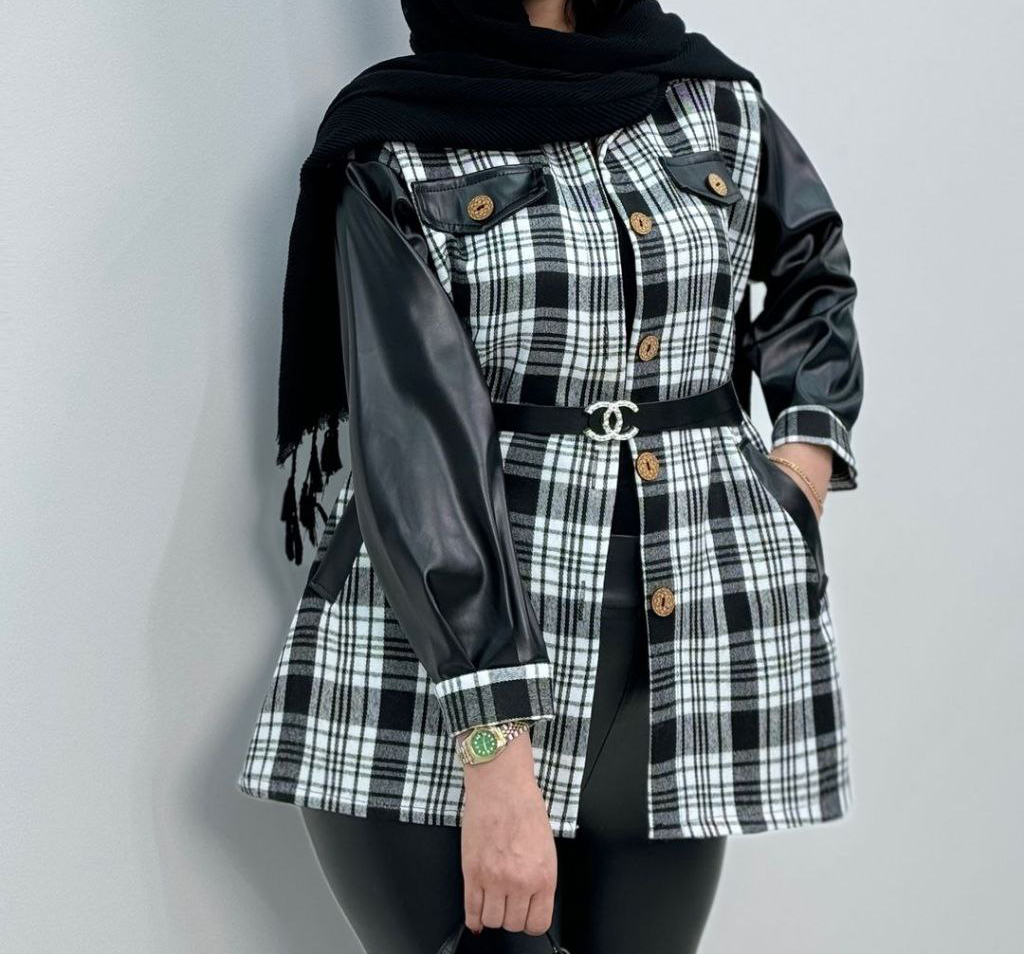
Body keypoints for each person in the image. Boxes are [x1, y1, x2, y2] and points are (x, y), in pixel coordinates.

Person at [237, 2, 864, 952]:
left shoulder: (715, 101)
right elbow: (416, 442)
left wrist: (803, 461)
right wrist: (494, 756)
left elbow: (811, 267)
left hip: (679, 660)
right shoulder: (396, 139)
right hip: (438, 682)